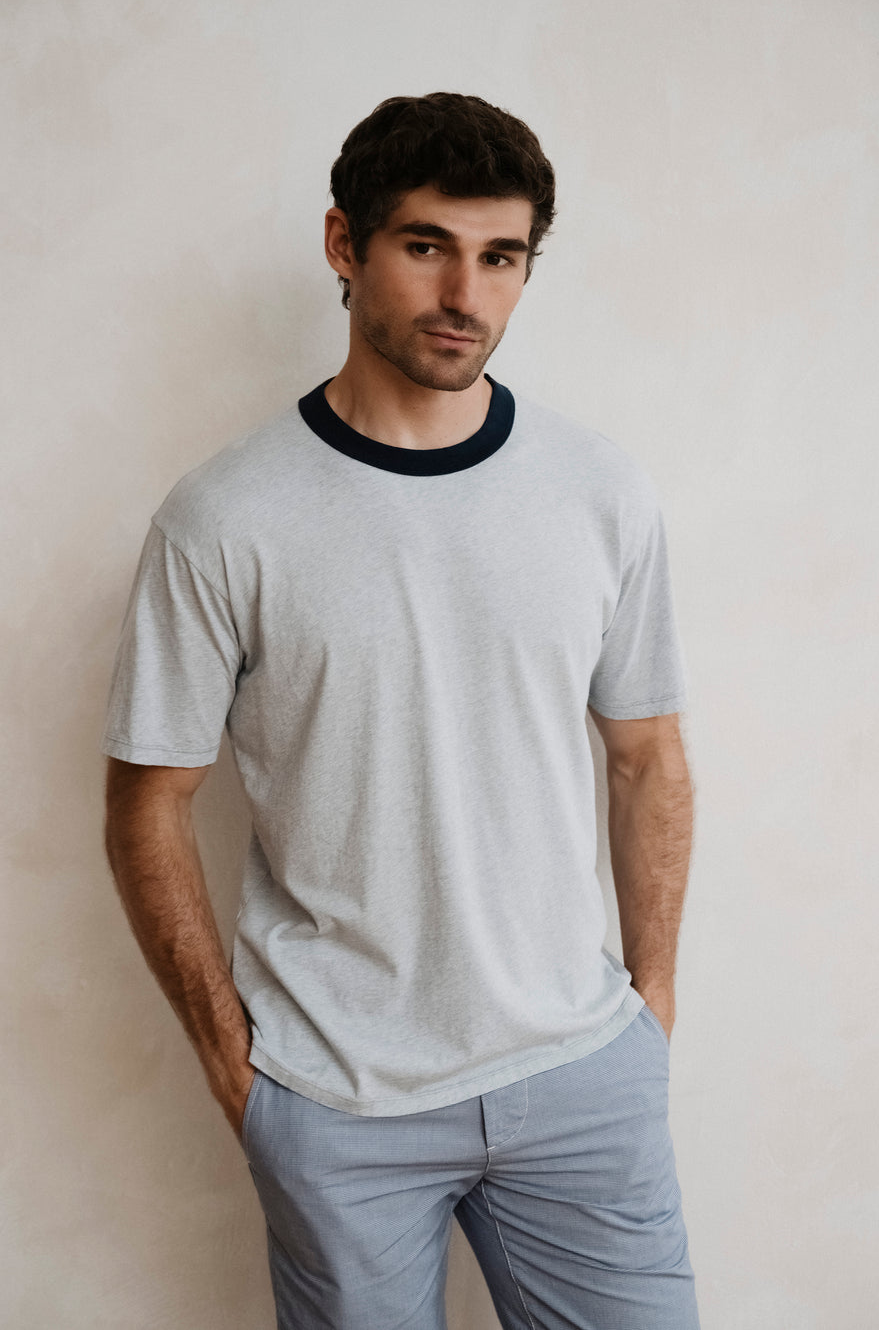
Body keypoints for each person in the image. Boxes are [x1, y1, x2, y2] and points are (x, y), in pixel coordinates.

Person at [103, 92, 700, 1330]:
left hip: (581, 1075)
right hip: (338, 1100)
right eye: (427, 246)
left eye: (502, 258)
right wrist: (236, 1067)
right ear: (346, 244)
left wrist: (651, 1010)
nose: (465, 295)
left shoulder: (600, 491)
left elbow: (647, 756)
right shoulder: (224, 518)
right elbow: (149, 801)